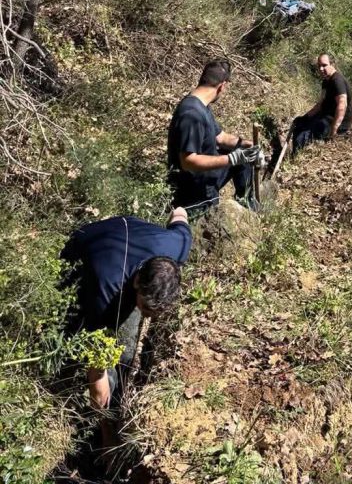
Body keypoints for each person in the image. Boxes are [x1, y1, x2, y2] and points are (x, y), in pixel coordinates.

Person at [60, 209, 192, 420]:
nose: (148, 318)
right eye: (145, 309)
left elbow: (180, 213)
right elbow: (97, 373)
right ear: (137, 282)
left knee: (125, 352)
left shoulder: (178, 245)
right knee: (73, 327)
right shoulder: (105, 294)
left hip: (124, 239)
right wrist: (104, 424)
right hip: (83, 249)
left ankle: (121, 386)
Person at [167, 58, 263, 213]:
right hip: (193, 191)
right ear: (222, 86)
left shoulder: (201, 105)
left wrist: (249, 146)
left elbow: (221, 137)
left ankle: (248, 206)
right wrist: (232, 159)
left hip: (206, 176)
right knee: (237, 160)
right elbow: (187, 162)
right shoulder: (192, 115)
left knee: (243, 162)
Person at [290, 53, 352, 151]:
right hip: (325, 116)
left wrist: (334, 129)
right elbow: (320, 104)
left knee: (302, 136)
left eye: (324, 65)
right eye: (319, 66)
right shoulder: (326, 81)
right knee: (299, 127)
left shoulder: (337, 81)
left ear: (333, 64)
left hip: (335, 122)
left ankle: (297, 160)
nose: (321, 69)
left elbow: (342, 105)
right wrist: (305, 117)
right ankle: (294, 156)